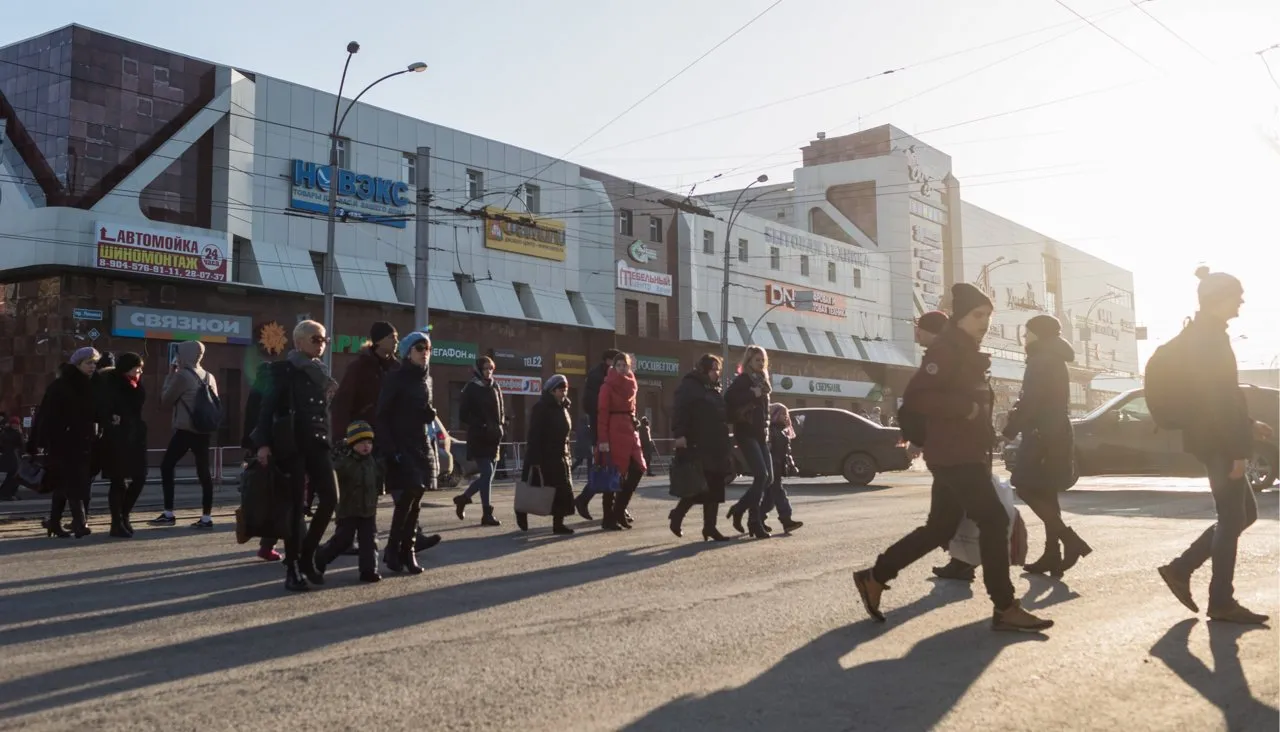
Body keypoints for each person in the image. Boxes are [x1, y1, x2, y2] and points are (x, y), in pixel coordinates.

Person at [852, 283, 1054, 633]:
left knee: (939, 528)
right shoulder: (946, 351)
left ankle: (875, 576)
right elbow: (917, 396)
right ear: (959, 317)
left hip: (960, 454)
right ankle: (1005, 605)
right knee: (993, 521)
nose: (984, 322)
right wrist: (967, 408)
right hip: (955, 455)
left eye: (988, 316)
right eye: (978, 315)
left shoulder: (965, 349)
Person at [1157, 268, 1273, 625]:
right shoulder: (1208, 339)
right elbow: (1217, 401)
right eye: (1237, 294)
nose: (1242, 300)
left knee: (1244, 515)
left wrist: (1249, 426)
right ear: (1219, 298)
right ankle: (1220, 600)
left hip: (1215, 437)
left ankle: (1180, 569)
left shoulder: (1206, 335)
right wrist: (1238, 450)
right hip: (1218, 441)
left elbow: (1219, 398)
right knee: (1232, 517)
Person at [254, 320, 340, 592]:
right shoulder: (284, 371)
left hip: (318, 443)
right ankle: (292, 567)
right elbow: (266, 409)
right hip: (291, 445)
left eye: (324, 339)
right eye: (316, 339)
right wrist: (263, 444)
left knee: (330, 498)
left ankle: (306, 555)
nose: (322, 344)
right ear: (299, 342)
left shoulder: (321, 373)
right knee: (293, 510)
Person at [1004, 314, 1088, 577]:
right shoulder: (1054, 356)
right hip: (1055, 431)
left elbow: (1032, 401)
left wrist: (1009, 431)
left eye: (1027, 332)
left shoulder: (1041, 359)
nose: (1024, 337)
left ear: (1038, 334)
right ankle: (1053, 553)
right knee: (1047, 492)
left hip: (1043, 434)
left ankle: (1070, 541)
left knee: (1025, 486)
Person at [377, 330, 443, 575]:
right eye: (419, 349)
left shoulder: (425, 379)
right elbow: (382, 415)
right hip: (400, 444)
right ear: (407, 353)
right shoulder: (396, 378)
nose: (425, 354)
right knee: (407, 499)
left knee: (415, 499)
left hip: (420, 444)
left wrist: (428, 413)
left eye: (428, 349)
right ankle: (397, 551)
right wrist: (390, 449)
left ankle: (405, 551)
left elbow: (420, 409)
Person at [32, 347, 101, 538]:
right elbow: (46, 415)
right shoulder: (61, 385)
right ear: (77, 364)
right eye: (88, 363)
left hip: (81, 442)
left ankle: (54, 523)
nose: (92, 367)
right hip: (63, 443)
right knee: (75, 483)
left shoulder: (89, 384)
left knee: (64, 484)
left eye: (94, 363)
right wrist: (40, 441)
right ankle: (79, 523)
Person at [152, 341, 219, 529]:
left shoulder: (182, 375)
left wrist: (169, 376)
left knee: (167, 465)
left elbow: (166, 400)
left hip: (186, 429)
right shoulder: (209, 376)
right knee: (204, 472)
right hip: (204, 430)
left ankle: (168, 513)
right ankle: (206, 516)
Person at [668, 354, 732, 541]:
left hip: (716, 443)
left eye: (718, 369)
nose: (717, 373)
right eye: (713, 369)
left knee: (715, 486)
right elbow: (679, 411)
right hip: (698, 442)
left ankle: (710, 527)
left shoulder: (714, 388)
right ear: (704, 369)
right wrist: (679, 435)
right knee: (699, 486)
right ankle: (677, 515)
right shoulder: (690, 386)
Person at [315, 421, 383, 583]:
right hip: (348, 509)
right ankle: (320, 558)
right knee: (343, 540)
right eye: (361, 443)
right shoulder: (344, 461)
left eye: (369, 442)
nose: (366, 446)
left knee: (369, 541)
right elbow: (333, 478)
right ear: (352, 444)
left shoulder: (371, 461)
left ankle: (369, 570)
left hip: (368, 509)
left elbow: (376, 481)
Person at [96, 352, 149, 538]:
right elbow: (104, 408)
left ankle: (124, 514)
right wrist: (112, 419)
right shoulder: (111, 383)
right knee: (118, 482)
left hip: (135, 437)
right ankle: (116, 522)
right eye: (137, 367)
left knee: (140, 477)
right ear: (127, 367)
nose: (140, 371)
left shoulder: (136, 383)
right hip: (117, 439)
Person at [516, 375, 576, 535]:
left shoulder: (563, 407)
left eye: (565, 390)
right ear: (552, 390)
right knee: (534, 488)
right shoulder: (541, 407)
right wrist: (534, 459)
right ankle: (521, 510)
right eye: (560, 390)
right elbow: (534, 434)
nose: (563, 393)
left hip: (560, 455)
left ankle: (559, 524)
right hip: (544, 456)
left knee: (561, 491)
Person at [725, 345, 773, 539]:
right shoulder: (744, 380)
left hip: (760, 433)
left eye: (763, 360)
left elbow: (765, 410)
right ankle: (754, 521)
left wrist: (768, 426)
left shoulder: (763, 381)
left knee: (768, 478)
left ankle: (740, 510)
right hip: (745, 432)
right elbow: (728, 398)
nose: (760, 363)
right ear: (749, 362)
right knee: (761, 475)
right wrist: (751, 394)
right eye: (756, 360)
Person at [596, 352, 647, 530]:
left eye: (624, 365)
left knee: (638, 468)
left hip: (630, 430)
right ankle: (608, 518)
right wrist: (603, 439)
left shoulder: (632, 384)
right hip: (614, 432)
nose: (622, 368)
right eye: (618, 365)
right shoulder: (607, 387)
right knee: (613, 474)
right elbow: (602, 413)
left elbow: (633, 409)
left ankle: (619, 509)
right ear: (613, 367)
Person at [454, 356, 504, 527]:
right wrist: (481, 424)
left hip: (494, 438)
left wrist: (501, 425)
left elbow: (501, 411)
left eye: (491, 368)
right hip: (479, 437)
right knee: (487, 473)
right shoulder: (471, 388)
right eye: (485, 368)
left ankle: (464, 498)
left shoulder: (495, 386)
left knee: (488, 477)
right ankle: (487, 513)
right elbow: (463, 415)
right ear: (478, 369)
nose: (488, 372)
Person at [574, 348, 623, 520]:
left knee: (615, 468)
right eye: (617, 362)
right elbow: (591, 405)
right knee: (606, 468)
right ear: (609, 361)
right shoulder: (598, 377)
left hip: (613, 429)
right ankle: (585, 499)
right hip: (603, 430)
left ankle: (616, 507)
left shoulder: (610, 376)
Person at [330, 321, 399, 438]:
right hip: (363, 437)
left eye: (396, 337)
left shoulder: (397, 369)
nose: (396, 341)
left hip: (390, 437)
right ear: (378, 340)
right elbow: (342, 404)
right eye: (391, 337)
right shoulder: (359, 367)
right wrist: (341, 437)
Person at [243, 361, 282, 562]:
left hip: (258, 446)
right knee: (279, 498)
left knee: (268, 496)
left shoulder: (255, 390)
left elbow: (249, 419)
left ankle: (267, 543)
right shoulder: (273, 390)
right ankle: (269, 543)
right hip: (272, 446)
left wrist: (250, 445)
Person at [761, 402, 803, 533]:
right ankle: (786, 520)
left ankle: (758, 518)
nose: (786, 416)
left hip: (777, 468)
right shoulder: (771, 431)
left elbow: (785, 451)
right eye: (782, 414)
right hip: (772, 468)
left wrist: (790, 465)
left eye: (786, 414)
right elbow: (768, 451)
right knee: (779, 493)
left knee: (770, 499)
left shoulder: (781, 430)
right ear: (774, 414)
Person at [0, 416, 24, 501]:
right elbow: (22, 445)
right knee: (14, 475)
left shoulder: (5, 432)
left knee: (13, 476)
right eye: (14, 423)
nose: (15, 425)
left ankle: (8, 493)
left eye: (16, 424)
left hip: (10, 456)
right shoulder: (15, 433)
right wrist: (20, 433)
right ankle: (7, 493)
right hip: (13, 457)